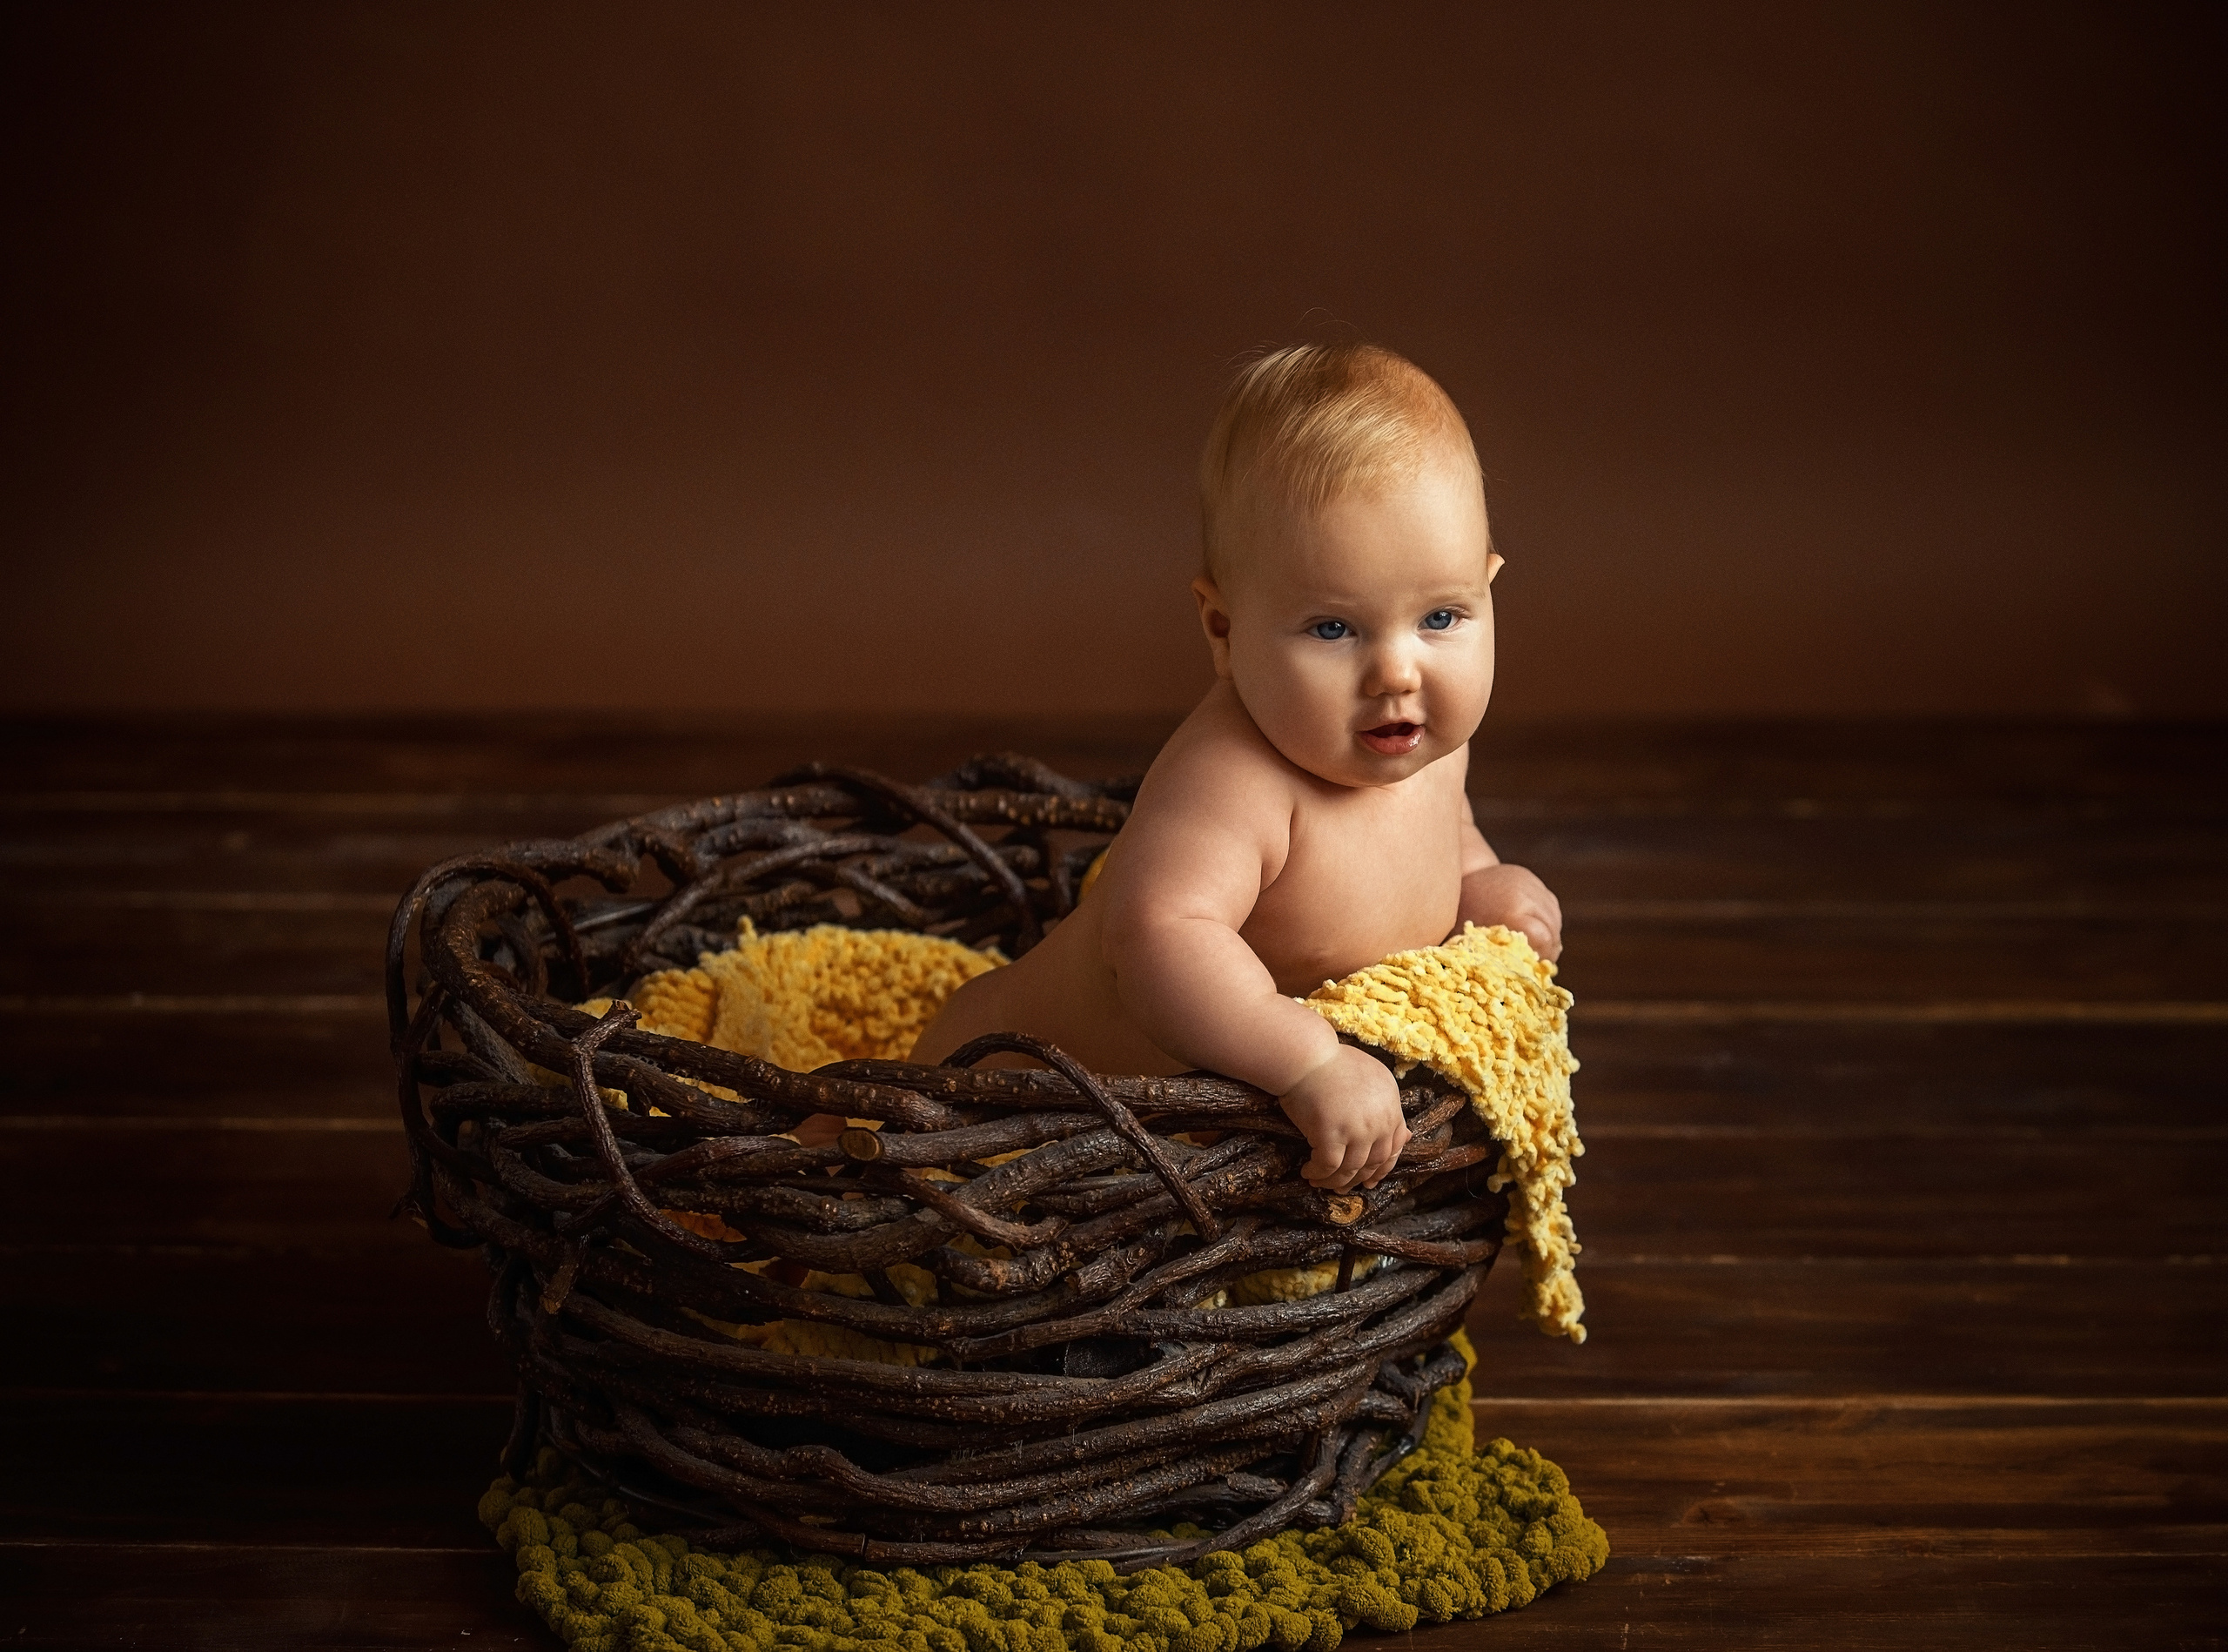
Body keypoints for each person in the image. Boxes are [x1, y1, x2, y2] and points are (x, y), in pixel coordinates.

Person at [911, 343, 1563, 1193]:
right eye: (1334, 629)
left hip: (1181, 1152)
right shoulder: (1233, 779)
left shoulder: (1423, 744)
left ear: (1488, 589)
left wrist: (1485, 886)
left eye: (1441, 616)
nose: (1397, 672)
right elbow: (1157, 937)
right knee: (887, 1185)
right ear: (1223, 629)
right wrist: (1304, 1063)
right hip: (1012, 1097)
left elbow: (1449, 842)